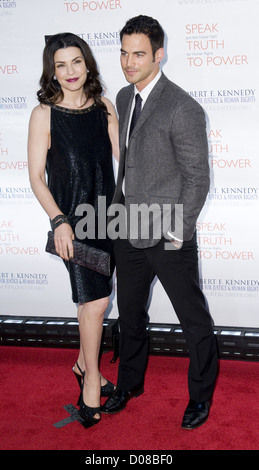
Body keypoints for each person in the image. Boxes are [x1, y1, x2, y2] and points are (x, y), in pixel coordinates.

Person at [101, 16, 218, 429]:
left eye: (138, 54)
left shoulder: (183, 107)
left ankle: (200, 396)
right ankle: (130, 384)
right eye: (123, 52)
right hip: (128, 226)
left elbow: (197, 179)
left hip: (169, 231)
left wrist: (176, 232)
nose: (128, 63)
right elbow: (130, 162)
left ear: (158, 54)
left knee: (193, 319)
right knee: (130, 316)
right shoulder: (122, 95)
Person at [28, 32, 119, 428]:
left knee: (93, 303)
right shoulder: (43, 114)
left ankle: (85, 365)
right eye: (61, 64)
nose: (70, 71)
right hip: (73, 222)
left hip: (110, 219)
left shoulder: (105, 106)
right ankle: (91, 387)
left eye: (76, 62)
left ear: (87, 64)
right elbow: (35, 177)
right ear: (52, 70)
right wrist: (58, 220)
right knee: (95, 303)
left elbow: (125, 161)